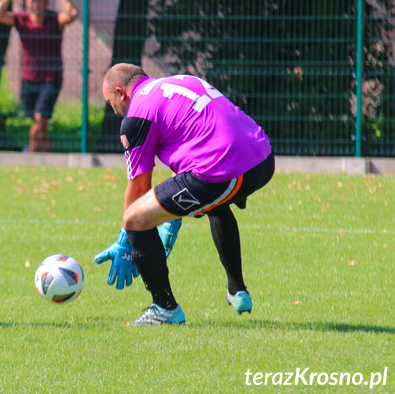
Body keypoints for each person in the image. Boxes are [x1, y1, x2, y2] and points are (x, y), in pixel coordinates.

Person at [95, 63, 274, 325]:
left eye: (112, 104)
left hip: (223, 171)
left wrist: (126, 237)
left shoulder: (135, 116)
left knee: (134, 219)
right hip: (262, 158)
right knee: (214, 204)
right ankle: (237, 289)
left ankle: (164, 308)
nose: (116, 111)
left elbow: (139, 189)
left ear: (121, 93)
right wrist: (172, 216)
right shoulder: (181, 81)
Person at [0, 0, 78, 153]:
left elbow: (72, 14)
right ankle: (46, 156)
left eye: (40, 0)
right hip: (28, 78)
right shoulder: (21, 18)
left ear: (46, 3)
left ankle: (30, 153)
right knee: (40, 121)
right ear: (28, 3)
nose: (36, 3)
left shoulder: (54, 19)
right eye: (33, 0)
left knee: (39, 117)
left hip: (51, 77)